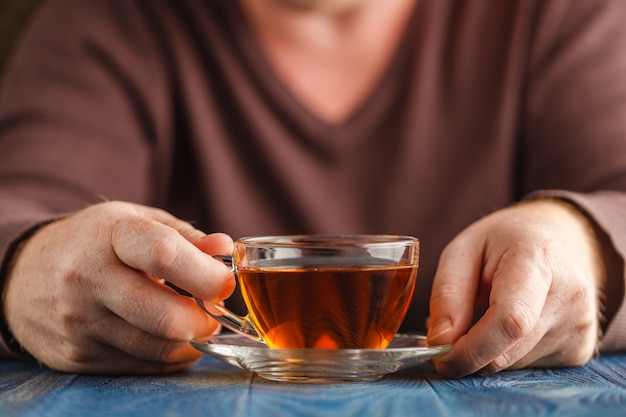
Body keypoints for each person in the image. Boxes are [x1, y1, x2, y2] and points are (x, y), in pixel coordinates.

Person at [1, 0, 625, 379]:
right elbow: (17, 207)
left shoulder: (556, 12)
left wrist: (583, 245)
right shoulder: (106, 17)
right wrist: (28, 267)